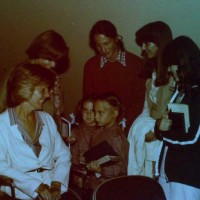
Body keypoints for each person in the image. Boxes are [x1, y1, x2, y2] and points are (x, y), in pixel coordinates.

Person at [0, 62, 71, 200]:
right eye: (42, 90)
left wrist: (56, 183)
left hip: (52, 191)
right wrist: (36, 186)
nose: (47, 96)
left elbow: (63, 155)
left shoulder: (47, 119)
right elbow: (1, 165)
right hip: (19, 193)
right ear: (26, 89)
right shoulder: (2, 124)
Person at [155, 36, 200, 200]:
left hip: (187, 177)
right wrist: (159, 126)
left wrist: (162, 133)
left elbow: (193, 138)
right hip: (170, 171)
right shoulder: (182, 91)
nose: (170, 72)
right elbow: (168, 124)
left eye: (173, 69)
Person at [127, 21, 174, 178]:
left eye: (147, 43)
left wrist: (155, 132)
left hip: (165, 144)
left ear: (160, 43)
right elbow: (146, 109)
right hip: (150, 137)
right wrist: (142, 132)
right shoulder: (152, 76)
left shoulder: (174, 76)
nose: (143, 49)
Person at [83, 20, 145, 134]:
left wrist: (120, 124)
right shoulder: (90, 66)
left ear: (117, 39)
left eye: (106, 43)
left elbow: (138, 102)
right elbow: (88, 99)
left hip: (127, 126)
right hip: (99, 125)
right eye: (98, 46)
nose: (103, 50)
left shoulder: (136, 64)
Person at [26, 30, 70, 128]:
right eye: (49, 59)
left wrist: (65, 134)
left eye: (55, 61)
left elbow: (59, 114)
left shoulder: (55, 78)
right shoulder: (20, 76)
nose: (53, 65)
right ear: (38, 53)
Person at [86, 93, 129, 192]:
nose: (96, 117)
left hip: (109, 189)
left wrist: (101, 170)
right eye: (95, 112)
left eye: (100, 113)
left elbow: (121, 168)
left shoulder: (117, 138)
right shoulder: (97, 132)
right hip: (94, 186)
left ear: (114, 113)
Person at [69, 95, 96, 165]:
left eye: (92, 110)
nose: (88, 114)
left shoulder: (102, 131)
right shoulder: (75, 131)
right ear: (80, 110)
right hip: (78, 171)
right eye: (85, 110)